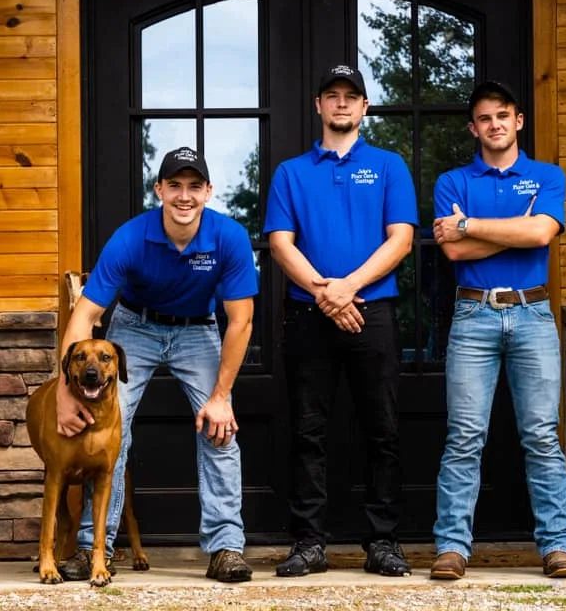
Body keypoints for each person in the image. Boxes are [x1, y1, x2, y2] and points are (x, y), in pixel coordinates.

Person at [56, 146, 258, 583]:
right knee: (109, 430)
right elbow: (85, 316)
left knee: (220, 427)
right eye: (175, 186)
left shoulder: (229, 237)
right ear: (159, 189)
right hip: (135, 327)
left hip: (198, 329)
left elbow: (241, 321)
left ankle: (226, 547)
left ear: (208, 191)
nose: (184, 196)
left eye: (194, 186)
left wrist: (221, 396)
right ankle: (93, 548)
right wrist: (64, 392)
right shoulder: (130, 238)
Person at [263, 64, 417, 577]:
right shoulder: (291, 172)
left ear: (365, 107)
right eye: (332, 95)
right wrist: (325, 293)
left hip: (373, 313)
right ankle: (309, 542)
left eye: (352, 96)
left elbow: (401, 239)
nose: (342, 103)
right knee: (308, 431)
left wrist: (347, 287)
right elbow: (280, 243)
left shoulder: (389, 165)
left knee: (382, 431)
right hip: (309, 314)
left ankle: (383, 542)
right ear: (319, 105)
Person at [429, 81, 566, 580]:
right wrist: (519, 230)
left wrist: (471, 225)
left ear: (518, 121)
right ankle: (452, 548)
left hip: (533, 313)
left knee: (541, 436)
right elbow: (454, 250)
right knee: (464, 436)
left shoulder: (547, 175)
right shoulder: (452, 181)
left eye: (502, 116)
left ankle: (557, 546)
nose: (494, 125)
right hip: (473, 314)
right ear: (474, 129)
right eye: (484, 118)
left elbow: (542, 233)